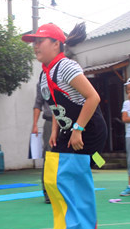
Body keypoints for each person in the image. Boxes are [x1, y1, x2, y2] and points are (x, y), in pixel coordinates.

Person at [22, 22, 107, 155]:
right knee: (52, 167)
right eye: (34, 43)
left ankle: (95, 161)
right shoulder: (44, 75)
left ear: (56, 44)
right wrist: (54, 131)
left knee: (76, 167)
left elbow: (93, 97)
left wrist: (78, 129)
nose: (36, 46)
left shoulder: (66, 67)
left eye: (40, 41)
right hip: (68, 130)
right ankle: (94, 162)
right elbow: (57, 106)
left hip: (88, 130)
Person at [32, 84, 53, 203]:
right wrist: (35, 124)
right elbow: (38, 103)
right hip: (50, 121)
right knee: (49, 156)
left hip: (68, 122)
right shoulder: (42, 83)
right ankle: (48, 192)